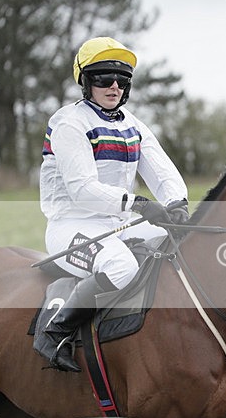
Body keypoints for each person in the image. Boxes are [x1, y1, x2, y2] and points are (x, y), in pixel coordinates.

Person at [38, 37, 189, 372]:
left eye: (122, 81)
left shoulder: (131, 124)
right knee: (122, 269)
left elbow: (162, 170)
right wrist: (136, 203)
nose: (114, 86)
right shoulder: (68, 123)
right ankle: (55, 331)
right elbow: (82, 189)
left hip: (118, 223)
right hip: (72, 225)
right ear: (86, 83)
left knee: (183, 247)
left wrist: (176, 203)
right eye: (104, 79)